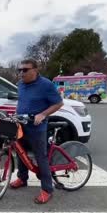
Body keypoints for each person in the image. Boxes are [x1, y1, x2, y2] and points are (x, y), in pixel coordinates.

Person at [10, 59, 63, 204]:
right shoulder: (20, 85)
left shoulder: (46, 85)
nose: (21, 73)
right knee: (20, 152)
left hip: (37, 127)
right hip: (22, 124)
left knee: (41, 157)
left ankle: (47, 190)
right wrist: (16, 115)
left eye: (25, 70)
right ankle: (22, 178)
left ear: (35, 70)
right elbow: (21, 103)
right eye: (20, 70)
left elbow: (59, 103)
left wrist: (43, 114)